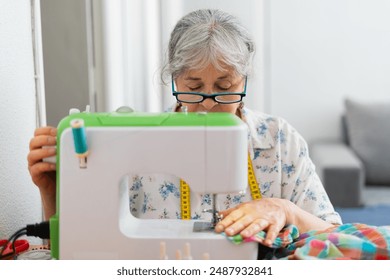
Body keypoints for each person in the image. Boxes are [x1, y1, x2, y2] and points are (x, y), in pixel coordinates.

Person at [27, 9, 341, 249]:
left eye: (224, 87)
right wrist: (53, 193)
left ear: (244, 80)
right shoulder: (134, 142)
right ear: (174, 79)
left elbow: (336, 240)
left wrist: (285, 209)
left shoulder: (280, 141)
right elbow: (82, 248)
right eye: (193, 87)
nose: (207, 104)